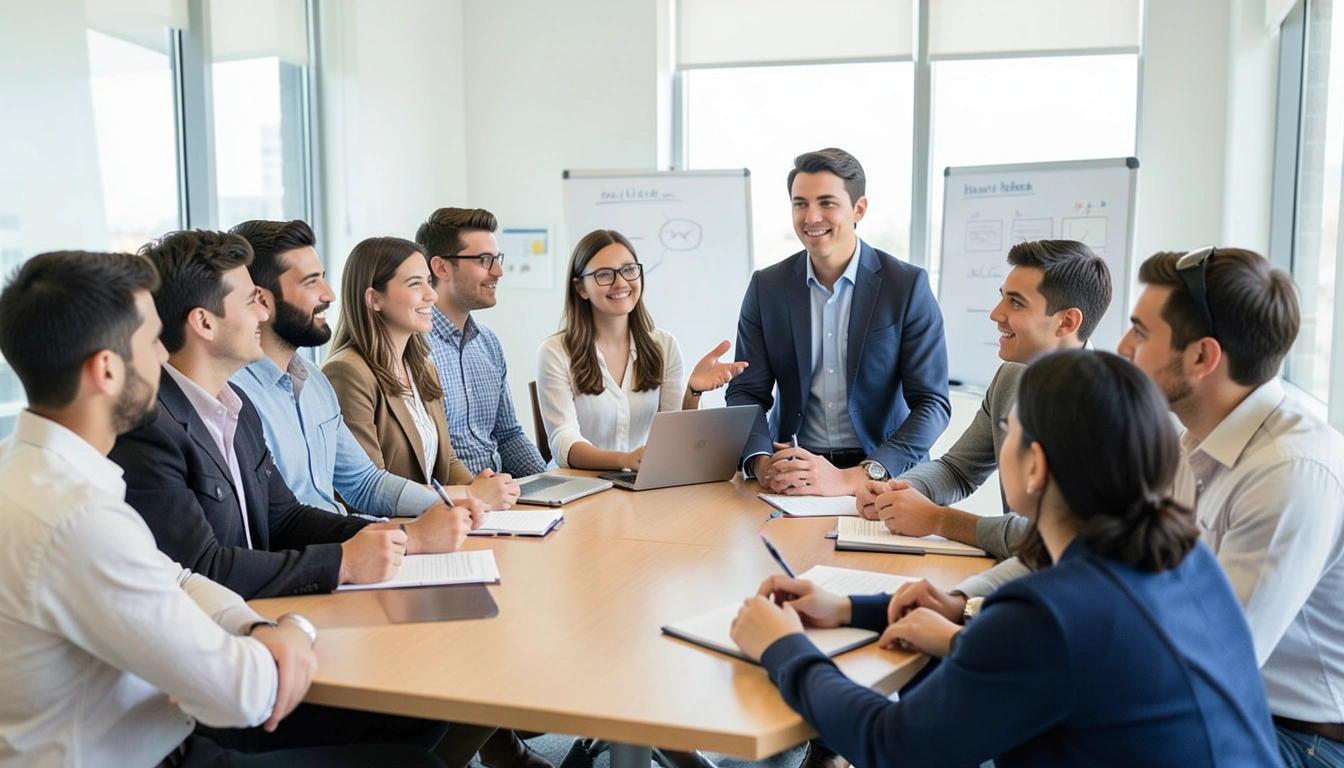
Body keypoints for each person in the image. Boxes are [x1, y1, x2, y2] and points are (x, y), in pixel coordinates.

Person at [730, 350, 1279, 768]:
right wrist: (853, 609)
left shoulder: (1049, 613)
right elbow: (1060, 661)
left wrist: (785, 649)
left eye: (1010, 434)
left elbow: (893, 745)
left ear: (1035, 466)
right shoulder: (1182, 560)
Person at [0, 250, 443, 767]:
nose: (164, 358)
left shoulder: (37, 476)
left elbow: (180, 578)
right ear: (105, 370)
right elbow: (241, 692)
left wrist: (257, 628)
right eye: (150, 343)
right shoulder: (79, 521)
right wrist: (296, 632)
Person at [1117, 247, 1344, 766]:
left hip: (1298, 739)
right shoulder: (1191, 445)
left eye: (1141, 332)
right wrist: (977, 614)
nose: (1123, 347)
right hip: (1227, 706)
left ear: (1202, 357)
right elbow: (1114, 571)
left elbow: (1213, 667)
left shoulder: (1289, 470)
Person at [227, 219, 513, 515]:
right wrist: (461, 501)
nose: (329, 295)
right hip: (324, 550)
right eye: (311, 282)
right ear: (261, 299)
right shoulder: (236, 396)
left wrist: (468, 502)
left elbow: (365, 483)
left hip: (348, 540)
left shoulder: (315, 383)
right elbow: (278, 522)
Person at [856, 239, 1112, 558]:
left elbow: (1052, 538)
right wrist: (899, 490)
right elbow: (959, 470)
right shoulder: (1010, 377)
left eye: (1016, 303)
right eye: (1002, 298)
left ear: (1067, 322)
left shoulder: (1107, 409)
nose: (996, 314)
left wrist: (939, 520)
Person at [725, 147, 950, 498]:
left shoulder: (906, 286)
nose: (811, 217)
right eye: (800, 204)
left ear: (858, 208)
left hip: (883, 474)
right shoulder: (766, 288)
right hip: (794, 472)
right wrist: (759, 460)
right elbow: (746, 391)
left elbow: (932, 404)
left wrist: (859, 475)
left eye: (827, 203)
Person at [324, 236, 518, 508]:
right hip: (390, 533)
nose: (432, 294)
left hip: (438, 522)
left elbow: (446, 460)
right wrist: (470, 495)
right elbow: (370, 490)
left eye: (429, 281)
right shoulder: (347, 372)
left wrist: (479, 486)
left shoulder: (422, 367)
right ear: (374, 299)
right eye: (416, 284)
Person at [535, 228, 747, 470]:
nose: (621, 282)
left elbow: (675, 435)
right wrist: (623, 460)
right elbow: (563, 440)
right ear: (581, 288)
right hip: (578, 487)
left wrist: (693, 391)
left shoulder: (663, 345)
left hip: (640, 485)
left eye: (628, 270)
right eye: (604, 275)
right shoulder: (555, 352)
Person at [419, 207, 547, 478]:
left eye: (496, 258)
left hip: (503, 500)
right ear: (441, 267)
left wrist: (548, 483)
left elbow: (509, 435)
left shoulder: (488, 343)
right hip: (454, 505)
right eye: (484, 260)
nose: (498, 271)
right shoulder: (414, 348)